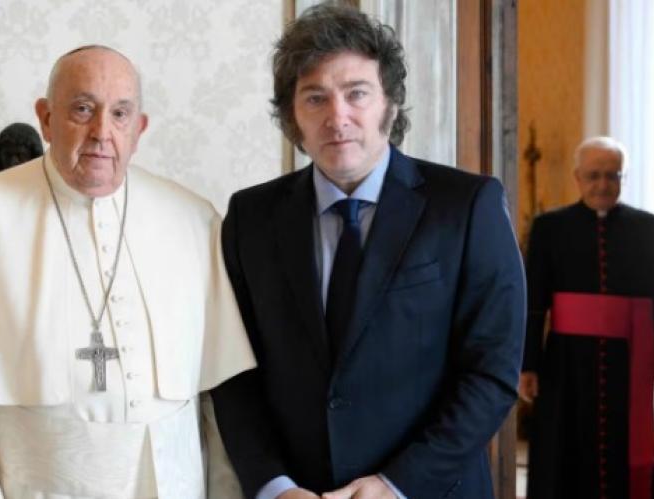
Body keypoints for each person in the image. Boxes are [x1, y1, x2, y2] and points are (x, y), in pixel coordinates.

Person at [0, 45, 254, 498]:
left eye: (120, 114)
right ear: (46, 118)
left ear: (139, 129)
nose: (101, 132)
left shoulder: (194, 219)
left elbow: (217, 408)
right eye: (82, 109)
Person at [210, 4, 526, 498]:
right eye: (315, 98)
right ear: (293, 117)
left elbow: (491, 373)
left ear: (391, 104)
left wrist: (395, 484)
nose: (338, 117)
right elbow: (233, 373)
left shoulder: (467, 206)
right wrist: (274, 486)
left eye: (356, 94)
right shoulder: (250, 218)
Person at [521, 136, 654, 499]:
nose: (602, 184)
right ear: (577, 177)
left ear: (624, 179)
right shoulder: (550, 228)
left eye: (612, 175)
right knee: (563, 448)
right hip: (565, 363)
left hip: (629, 364)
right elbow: (534, 301)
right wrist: (528, 365)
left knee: (623, 445)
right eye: (593, 175)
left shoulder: (651, 229)